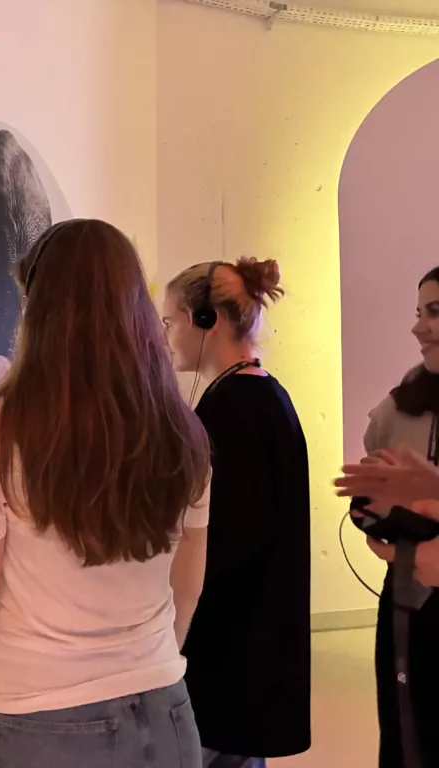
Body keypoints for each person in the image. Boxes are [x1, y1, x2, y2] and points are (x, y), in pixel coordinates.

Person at [0, 219, 212, 768]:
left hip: (37, 724)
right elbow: (188, 582)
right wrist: (147, 662)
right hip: (167, 713)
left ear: (37, 308)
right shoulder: (181, 429)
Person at [161, 258, 311, 768]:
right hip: (247, 654)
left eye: (171, 321)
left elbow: (222, 544)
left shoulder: (234, 410)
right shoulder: (259, 396)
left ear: (207, 320)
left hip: (230, 657)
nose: (166, 337)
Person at [333, 266, 439, 767]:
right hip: (410, 608)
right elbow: (370, 491)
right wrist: (376, 508)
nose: (418, 327)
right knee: (408, 739)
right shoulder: (397, 409)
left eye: (435, 312)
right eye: (419, 312)